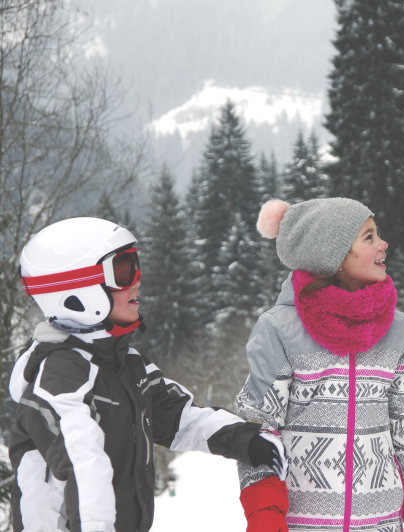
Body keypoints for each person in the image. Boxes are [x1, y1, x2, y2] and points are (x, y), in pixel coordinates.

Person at [9, 217, 285, 532]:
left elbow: (179, 418)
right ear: (77, 292)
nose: (137, 281)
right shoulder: (58, 378)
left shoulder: (126, 363)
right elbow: (84, 467)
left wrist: (246, 440)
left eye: (136, 266)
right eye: (124, 270)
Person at [236, 198, 404, 532]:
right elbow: (260, 427)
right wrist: (265, 514)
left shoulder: (397, 329)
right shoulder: (280, 329)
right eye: (369, 237)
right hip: (301, 525)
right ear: (333, 254)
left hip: (382, 524)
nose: (383, 244)